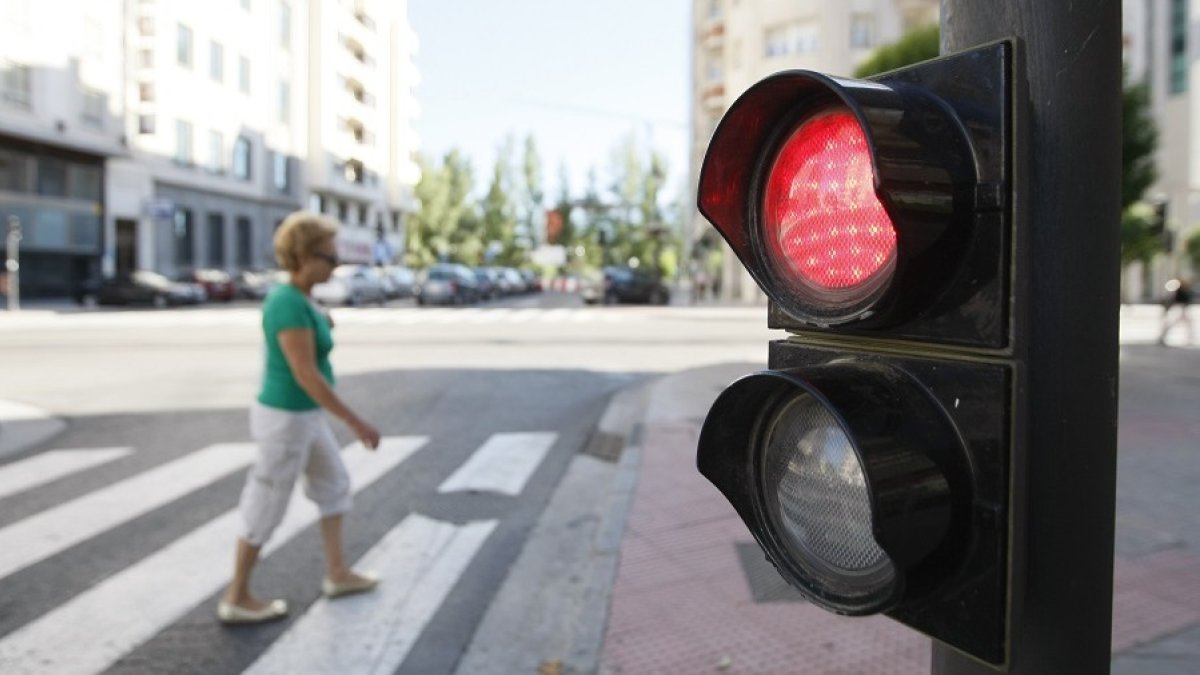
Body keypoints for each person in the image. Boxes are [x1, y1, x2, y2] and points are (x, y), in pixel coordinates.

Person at [219, 211, 382, 624]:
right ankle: (237, 596)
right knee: (267, 504)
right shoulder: (286, 302)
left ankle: (337, 573)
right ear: (305, 256)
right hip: (286, 419)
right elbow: (305, 374)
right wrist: (355, 421)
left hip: (303, 416)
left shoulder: (302, 296)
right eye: (330, 258)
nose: (336, 265)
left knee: (334, 484)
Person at [1159, 278, 1195, 346]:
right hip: (1179, 308)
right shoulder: (1179, 290)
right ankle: (1162, 337)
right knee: (1171, 322)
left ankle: (1190, 338)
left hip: (1183, 308)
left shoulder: (1184, 290)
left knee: (1189, 324)